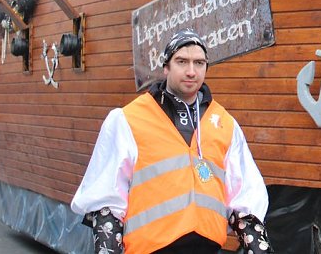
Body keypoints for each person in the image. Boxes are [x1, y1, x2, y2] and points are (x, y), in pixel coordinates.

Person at [71, 29, 273, 253]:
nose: (191, 71)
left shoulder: (225, 124)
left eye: (199, 63)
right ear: (166, 67)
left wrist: (259, 247)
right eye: (181, 61)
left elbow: (245, 194)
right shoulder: (127, 120)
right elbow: (106, 196)